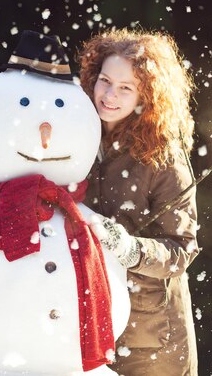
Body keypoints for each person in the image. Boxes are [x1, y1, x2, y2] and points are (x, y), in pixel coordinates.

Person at [78, 29, 200, 376]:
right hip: (89, 327)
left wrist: (130, 249)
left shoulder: (163, 155)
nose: (109, 95)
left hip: (152, 339)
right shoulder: (77, 136)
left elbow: (181, 250)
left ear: (146, 95)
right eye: (104, 81)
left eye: (125, 87)